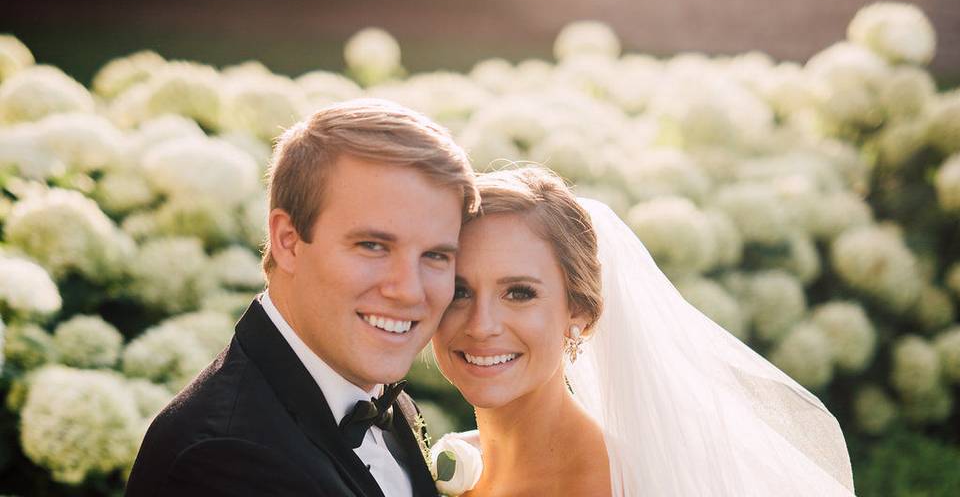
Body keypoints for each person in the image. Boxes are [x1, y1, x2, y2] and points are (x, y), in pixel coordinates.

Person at [432, 166, 857, 497]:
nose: (481, 324)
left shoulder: (633, 484)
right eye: (458, 291)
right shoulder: (437, 462)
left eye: (519, 293)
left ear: (578, 310)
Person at [126, 99, 479, 497]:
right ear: (288, 241)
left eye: (435, 255)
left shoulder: (376, 398)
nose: (410, 290)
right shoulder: (223, 462)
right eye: (373, 246)